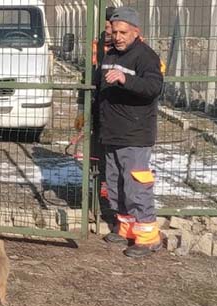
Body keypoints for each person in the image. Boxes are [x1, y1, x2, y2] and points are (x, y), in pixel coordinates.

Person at [98, 6, 164, 258]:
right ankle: (126, 226)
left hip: (135, 134)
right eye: (114, 32)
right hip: (112, 131)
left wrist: (126, 80)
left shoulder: (146, 56)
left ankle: (148, 237)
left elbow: (154, 87)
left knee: (137, 185)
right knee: (115, 183)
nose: (117, 37)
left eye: (123, 32)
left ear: (136, 32)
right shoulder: (110, 54)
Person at [75, 6, 116, 223]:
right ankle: (98, 200)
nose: (109, 31)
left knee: (118, 160)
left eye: (112, 27)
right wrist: (82, 110)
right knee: (97, 157)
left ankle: (114, 203)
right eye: (106, 27)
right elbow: (86, 80)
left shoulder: (134, 48)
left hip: (121, 114)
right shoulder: (96, 47)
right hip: (98, 110)